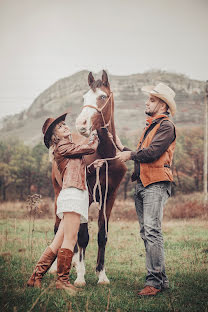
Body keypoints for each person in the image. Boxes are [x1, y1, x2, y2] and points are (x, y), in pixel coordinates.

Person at [115, 83, 176, 296]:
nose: (146, 102)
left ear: (162, 104)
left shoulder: (166, 126)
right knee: (147, 232)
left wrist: (129, 155)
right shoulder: (151, 125)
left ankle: (154, 282)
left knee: (152, 231)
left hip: (156, 184)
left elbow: (151, 153)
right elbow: (143, 153)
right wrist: (123, 148)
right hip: (143, 183)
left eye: (151, 100)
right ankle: (161, 279)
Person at [27, 112, 98, 293]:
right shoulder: (63, 146)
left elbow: (77, 168)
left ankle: (35, 276)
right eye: (59, 127)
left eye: (64, 124)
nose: (65, 127)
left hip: (74, 193)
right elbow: (90, 148)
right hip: (73, 195)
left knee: (58, 241)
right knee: (70, 238)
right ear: (54, 137)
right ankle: (63, 281)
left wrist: (92, 167)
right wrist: (95, 135)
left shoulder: (68, 147)